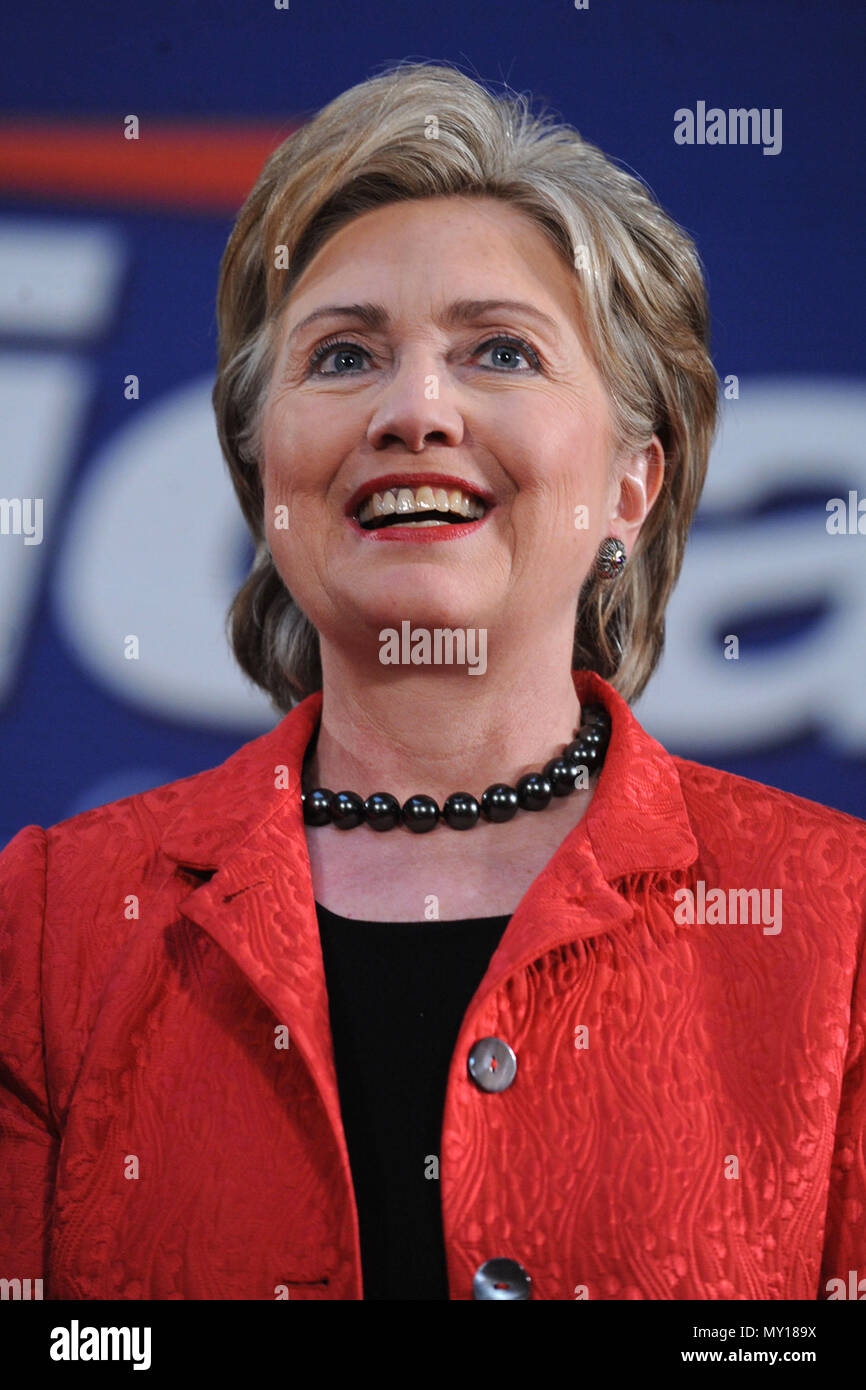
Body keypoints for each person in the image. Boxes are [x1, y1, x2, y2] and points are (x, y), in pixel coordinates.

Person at [1, 60, 864, 1302]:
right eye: (341, 357)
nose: (414, 410)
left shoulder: (839, 928)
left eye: (499, 351)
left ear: (631, 484)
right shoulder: (47, 929)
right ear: (264, 473)